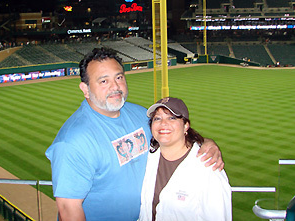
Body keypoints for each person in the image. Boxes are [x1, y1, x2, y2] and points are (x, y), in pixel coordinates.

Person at [45, 48, 224, 221]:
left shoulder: (140, 115)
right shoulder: (73, 141)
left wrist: (206, 142)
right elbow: (68, 209)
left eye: (119, 77)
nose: (115, 87)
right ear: (85, 89)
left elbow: (172, 136)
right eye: (103, 81)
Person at [139, 97, 232, 221]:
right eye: (157, 118)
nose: (163, 123)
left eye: (172, 118)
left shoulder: (208, 166)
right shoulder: (145, 156)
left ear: (186, 126)